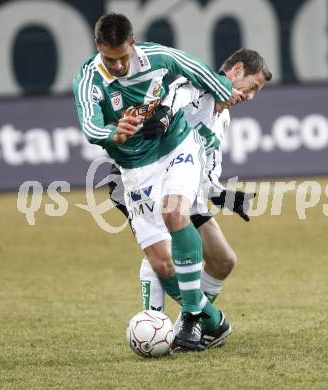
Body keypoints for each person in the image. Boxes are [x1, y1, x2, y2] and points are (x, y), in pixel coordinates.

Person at [73, 13, 242, 352]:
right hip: (135, 170)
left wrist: (223, 91)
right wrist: (112, 133)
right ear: (98, 48)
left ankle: (192, 319)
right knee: (162, 263)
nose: (118, 66)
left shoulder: (158, 57)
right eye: (110, 58)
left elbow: (197, 69)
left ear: (132, 45)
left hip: (176, 146)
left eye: (123, 57)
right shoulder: (90, 78)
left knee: (175, 213)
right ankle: (212, 319)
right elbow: (89, 126)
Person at [109, 49, 272, 348]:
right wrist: (165, 114)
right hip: (142, 176)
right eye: (253, 87)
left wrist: (225, 197)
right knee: (161, 255)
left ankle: (192, 319)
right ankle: (178, 319)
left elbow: (208, 174)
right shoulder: (194, 87)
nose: (251, 96)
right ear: (236, 70)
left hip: (185, 189)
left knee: (224, 260)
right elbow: (169, 94)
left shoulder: (222, 120)